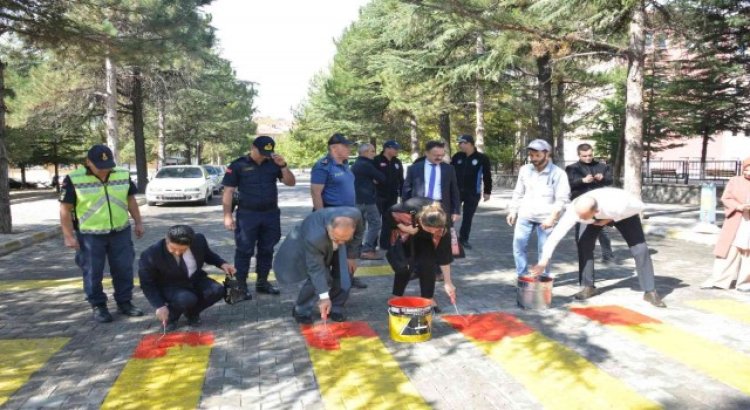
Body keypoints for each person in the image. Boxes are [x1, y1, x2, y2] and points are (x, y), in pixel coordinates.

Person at [530, 187, 667, 307]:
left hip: (624, 215)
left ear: (596, 211)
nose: (580, 219)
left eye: (583, 217)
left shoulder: (620, 204)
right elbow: (556, 236)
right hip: (598, 214)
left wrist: (609, 219)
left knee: (640, 248)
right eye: (579, 216)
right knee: (583, 243)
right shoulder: (574, 210)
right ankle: (588, 287)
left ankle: (650, 291)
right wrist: (543, 261)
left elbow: (640, 207)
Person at [59, 144, 145, 323]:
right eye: (100, 167)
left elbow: (130, 199)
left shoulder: (122, 174)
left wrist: (138, 222)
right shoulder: (74, 179)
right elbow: (65, 209)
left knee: (124, 268)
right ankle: (98, 305)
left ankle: (124, 302)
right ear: (88, 162)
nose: (105, 171)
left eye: (108, 167)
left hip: (120, 231)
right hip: (90, 234)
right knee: (92, 272)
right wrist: (68, 235)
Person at [222, 136, 296, 299]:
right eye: (262, 152)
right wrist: (227, 215)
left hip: (270, 214)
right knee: (244, 250)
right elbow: (228, 191)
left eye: (267, 153)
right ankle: (241, 286)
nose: (264, 156)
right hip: (248, 215)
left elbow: (291, 183)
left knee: (267, 249)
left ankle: (262, 282)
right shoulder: (238, 165)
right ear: (253, 148)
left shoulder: (273, 164)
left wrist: (283, 166)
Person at [273, 207, 364, 324]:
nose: (341, 243)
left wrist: (351, 256)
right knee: (321, 279)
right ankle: (301, 310)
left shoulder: (355, 215)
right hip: (313, 246)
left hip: (332, 237)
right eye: (337, 239)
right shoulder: (314, 237)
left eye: (345, 239)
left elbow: (359, 234)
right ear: (328, 229)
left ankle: (336, 307)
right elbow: (316, 269)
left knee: (345, 274)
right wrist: (324, 297)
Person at [138, 225, 237, 331]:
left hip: (195, 278)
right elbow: (147, 284)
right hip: (170, 285)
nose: (177, 253)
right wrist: (159, 305)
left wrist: (222, 264)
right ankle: (171, 317)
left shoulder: (199, 240)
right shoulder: (151, 254)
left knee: (218, 290)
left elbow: (208, 255)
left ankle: (192, 313)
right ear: (167, 240)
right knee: (187, 299)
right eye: (173, 249)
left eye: (182, 250)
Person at [310, 133, 367, 289]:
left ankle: (347, 278)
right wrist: (321, 219)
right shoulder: (323, 166)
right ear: (334, 148)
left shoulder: (345, 164)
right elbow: (316, 192)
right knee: (331, 254)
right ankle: (329, 284)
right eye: (346, 146)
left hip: (348, 216)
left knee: (348, 250)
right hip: (332, 216)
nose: (349, 148)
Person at [507, 139, 570, 277]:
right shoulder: (525, 170)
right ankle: (522, 276)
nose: (534, 159)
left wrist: (552, 218)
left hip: (546, 219)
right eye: (531, 155)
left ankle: (544, 278)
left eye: (537, 155)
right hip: (525, 216)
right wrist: (513, 211)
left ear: (547, 154)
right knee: (518, 247)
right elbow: (518, 192)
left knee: (545, 250)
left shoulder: (558, 174)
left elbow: (562, 200)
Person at [402, 140, 461, 281]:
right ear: (426, 153)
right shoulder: (415, 168)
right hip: (418, 207)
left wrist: (456, 210)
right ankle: (416, 269)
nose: (439, 157)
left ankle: (437, 270)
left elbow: (454, 191)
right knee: (417, 239)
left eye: (442, 154)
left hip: (441, 208)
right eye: (436, 154)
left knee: (440, 241)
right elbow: (406, 190)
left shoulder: (449, 169)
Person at [390, 197, 457, 312]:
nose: (433, 232)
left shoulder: (443, 225)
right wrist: (403, 227)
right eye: (430, 230)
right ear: (421, 221)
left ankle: (428, 298)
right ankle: (396, 296)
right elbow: (390, 213)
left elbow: (444, 255)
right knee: (405, 264)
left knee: (428, 263)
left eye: (436, 231)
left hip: (427, 239)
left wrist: (448, 282)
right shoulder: (411, 209)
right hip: (410, 230)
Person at [701, 157, 750, 291]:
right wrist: (739, 206)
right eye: (747, 168)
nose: (749, 171)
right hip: (736, 220)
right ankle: (720, 281)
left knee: (748, 253)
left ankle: (745, 283)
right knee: (729, 251)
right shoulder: (735, 181)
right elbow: (726, 198)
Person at [565, 143, 614, 263]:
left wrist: (603, 178)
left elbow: (610, 180)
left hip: (599, 205)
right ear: (579, 155)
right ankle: (584, 256)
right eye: (584, 156)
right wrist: (582, 180)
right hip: (580, 205)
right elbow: (568, 185)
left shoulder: (602, 166)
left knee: (603, 232)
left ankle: (608, 256)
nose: (588, 158)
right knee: (581, 233)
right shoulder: (572, 168)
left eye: (590, 155)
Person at [451, 134, 492, 249]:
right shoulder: (457, 156)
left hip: (473, 193)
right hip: (456, 192)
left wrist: (487, 191)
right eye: (459, 143)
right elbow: (450, 173)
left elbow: (487, 175)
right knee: (451, 216)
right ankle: (448, 239)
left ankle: (463, 239)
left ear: (469, 144)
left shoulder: (482, 158)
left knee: (468, 217)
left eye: (461, 143)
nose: (459, 145)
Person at [351, 143, 386, 260]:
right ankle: (366, 250)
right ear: (365, 152)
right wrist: (375, 179)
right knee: (376, 223)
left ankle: (357, 250)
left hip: (358, 199)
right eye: (372, 151)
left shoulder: (358, 163)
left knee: (359, 226)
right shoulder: (366, 164)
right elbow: (382, 177)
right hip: (367, 200)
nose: (374, 154)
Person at [374, 140, 404, 250]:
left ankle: (385, 244)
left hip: (392, 196)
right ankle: (372, 244)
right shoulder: (376, 160)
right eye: (395, 149)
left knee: (388, 220)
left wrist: (402, 194)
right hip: (378, 195)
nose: (397, 151)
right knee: (376, 221)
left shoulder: (397, 162)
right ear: (387, 148)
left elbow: (401, 179)